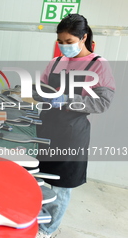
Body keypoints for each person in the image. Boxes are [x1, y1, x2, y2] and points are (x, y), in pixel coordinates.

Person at [33, 14, 116, 238]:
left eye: (69, 42)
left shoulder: (98, 65)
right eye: (60, 42)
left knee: (61, 186)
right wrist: (32, 91)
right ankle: (35, 219)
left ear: (83, 37)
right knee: (37, 179)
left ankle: (46, 230)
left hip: (71, 135)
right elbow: (41, 89)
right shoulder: (56, 62)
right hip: (45, 129)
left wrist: (69, 102)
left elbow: (102, 102)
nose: (64, 47)